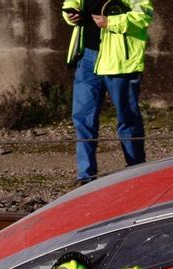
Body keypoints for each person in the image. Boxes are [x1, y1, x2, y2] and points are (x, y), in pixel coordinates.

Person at [63, 0, 154, 184]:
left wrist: (111, 23)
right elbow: (71, 2)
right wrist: (71, 14)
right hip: (87, 58)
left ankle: (136, 170)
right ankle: (85, 177)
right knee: (82, 118)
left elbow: (143, 15)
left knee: (127, 118)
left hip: (120, 63)